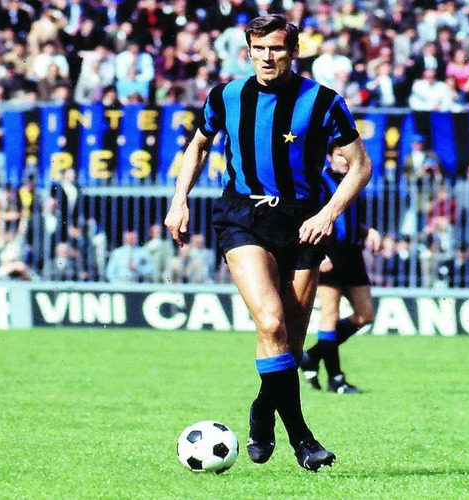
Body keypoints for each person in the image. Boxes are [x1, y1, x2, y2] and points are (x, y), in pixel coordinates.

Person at [164, 15, 372, 472]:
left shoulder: (323, 101)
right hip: (244, 216)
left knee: (290, 346)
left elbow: (360, 165)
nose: (266, 57)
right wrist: (179, 200)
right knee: (271, 321)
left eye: (276, 48)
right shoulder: (225, 96)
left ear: (293, 51)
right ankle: (303, 440)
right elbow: (199, 146)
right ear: (248, 51)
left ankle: (262, 411)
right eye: (258, 49)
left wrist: (328, 213)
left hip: (304, 222)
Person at [300, 142, 381, 395]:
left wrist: (368, 231)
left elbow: (349, 220)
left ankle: (312, 356)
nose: (345, 160)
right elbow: (308, 217)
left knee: (365, 315)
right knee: (330, 315)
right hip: (329, 252)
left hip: (352, 254)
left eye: (347, 156)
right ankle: (336, 379)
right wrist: (318, 252)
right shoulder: (319, 182)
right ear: (329, 157)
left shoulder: (354, 181)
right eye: (340, 155)